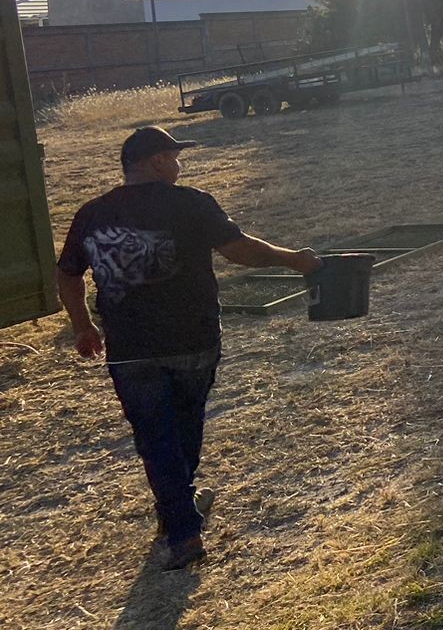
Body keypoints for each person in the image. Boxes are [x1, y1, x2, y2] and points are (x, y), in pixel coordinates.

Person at [56, 126, 321, 570]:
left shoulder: (91, 215)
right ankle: (183, 527)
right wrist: (294, 259)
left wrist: (83, 327)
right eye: (174, 157)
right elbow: (240, 251)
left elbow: (67, 274)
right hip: (192, 340)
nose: (179, 165)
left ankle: (179, 515)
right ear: (158, 162)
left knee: (156, 438)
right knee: (184, 424)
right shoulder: (191, 203)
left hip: (130, 348)